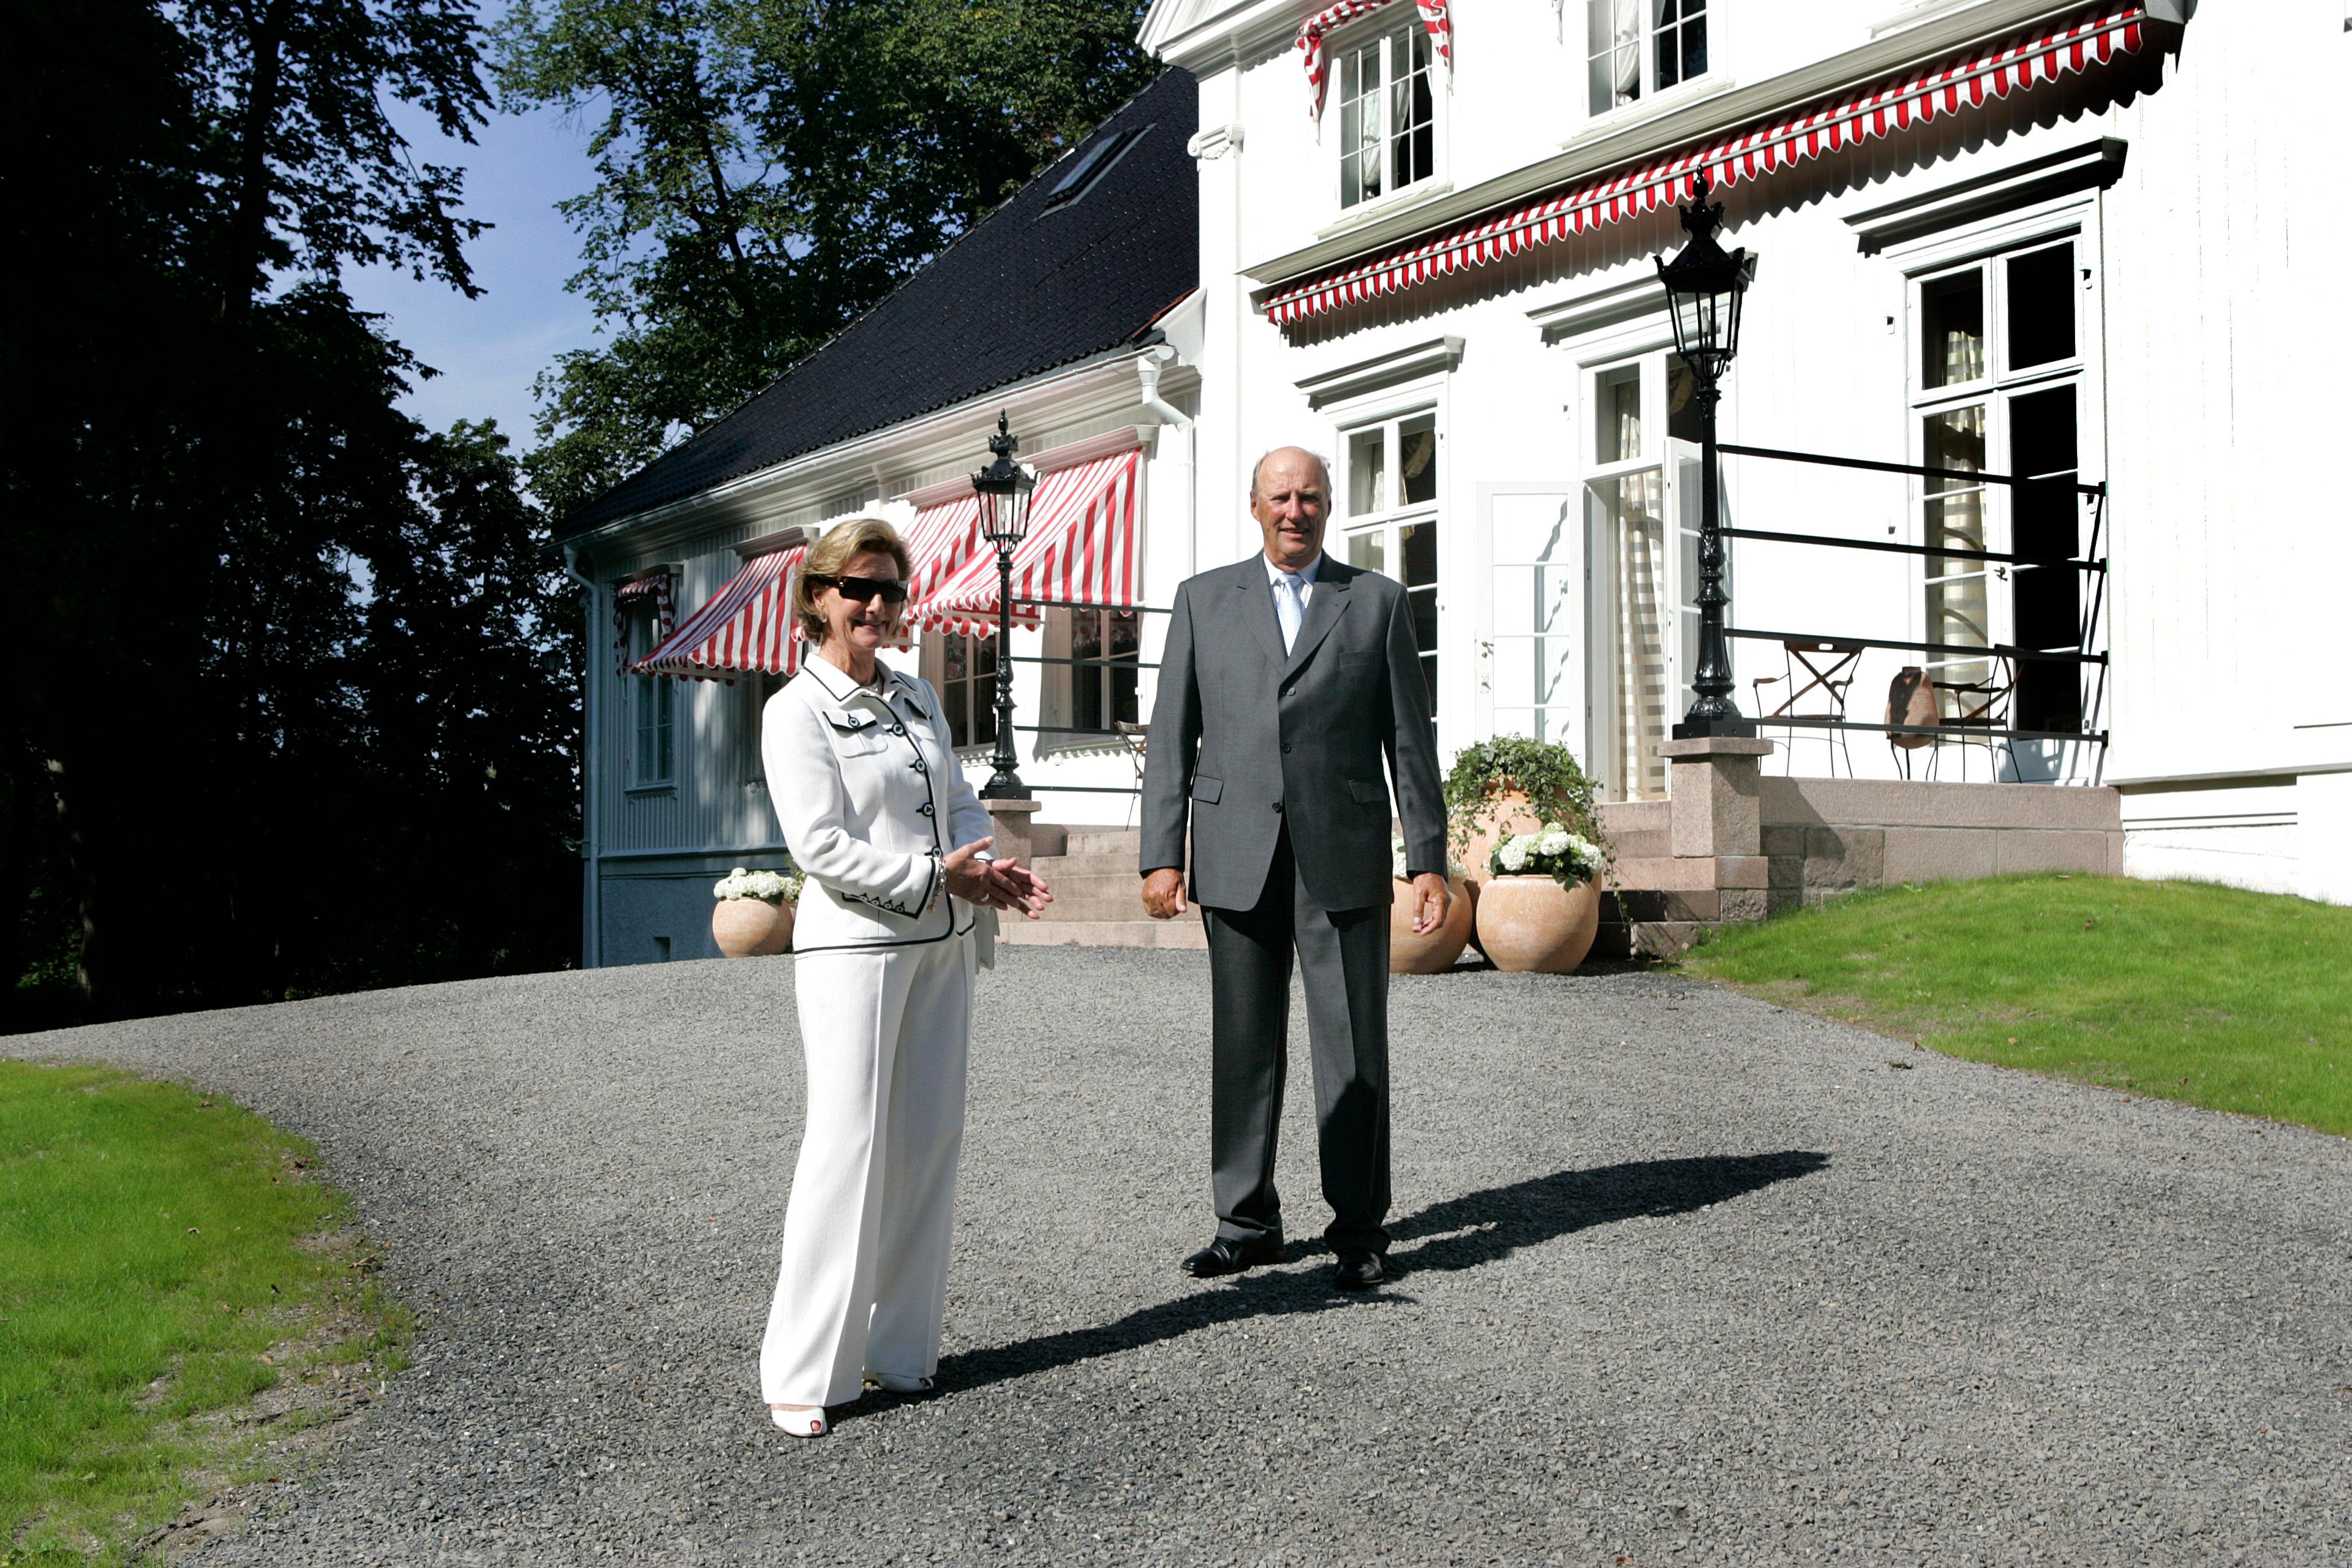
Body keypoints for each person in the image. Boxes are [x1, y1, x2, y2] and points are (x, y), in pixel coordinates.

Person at [758, 517, 1052, 1438]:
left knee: (929, 1141)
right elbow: (820, 846)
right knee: (846, 1148)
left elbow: (958, 800)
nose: (878, 606)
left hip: (942, 946)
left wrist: (988, 868)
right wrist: (936, 877)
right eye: (860, 589)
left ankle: (900, 1351)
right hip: (855, 951)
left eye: (890, 590)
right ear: (819, 598)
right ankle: (804, 1372)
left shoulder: (921, 696)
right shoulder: (792, 711)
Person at [1139, 447, 1449, 1291]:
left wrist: (1428, 859)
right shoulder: (1203, 601)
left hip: (1342, 857)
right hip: (1236, 853)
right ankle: (1245, 1223)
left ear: (1328, 506)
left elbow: (1410, 741)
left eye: (1310, 497)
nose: (1295, 510)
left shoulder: (1378, 602)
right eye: (1280, 496)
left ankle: (1358, 1229)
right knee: (1242, 1046)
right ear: (1255, 506)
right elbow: (1171, 736)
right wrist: (1162, 854)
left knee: (1354, 1048)